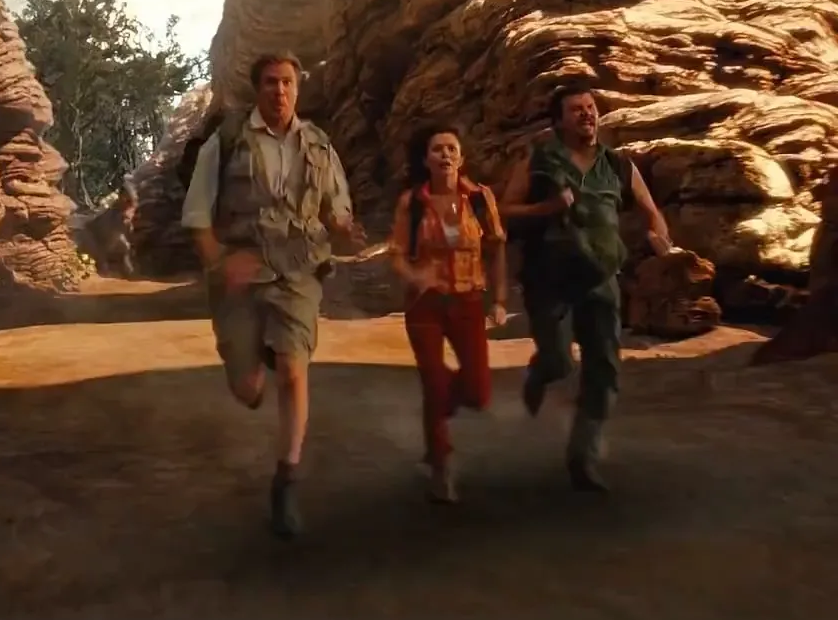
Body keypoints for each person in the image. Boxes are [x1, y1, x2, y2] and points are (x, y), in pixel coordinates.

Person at [180, 51, 361, 539]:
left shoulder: (318, 145)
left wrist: (343, 227)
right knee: (247, 389)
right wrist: (220, 264)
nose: (279, 91)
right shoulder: (227, 140)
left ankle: (286, 481)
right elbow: (197, 215)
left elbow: (337, 207)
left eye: (286, 82)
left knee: (294, 369)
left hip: (298, 270)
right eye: (270, 82)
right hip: (241, 273)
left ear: (297, 88)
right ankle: (255, 359)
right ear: (256, 88)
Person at [499, 84, 671, 492]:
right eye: (576, 109)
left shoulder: (618, 164)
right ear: (558, 121)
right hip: (549, 280)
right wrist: (546, 208)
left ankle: (583, 457)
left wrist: (660, 237)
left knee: (605, 369)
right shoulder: (538, 160)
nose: (587, 114)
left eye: (591, 108)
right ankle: (541, 371)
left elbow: (651, 211)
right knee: (560, 361)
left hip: (601, 279)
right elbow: (503, 210)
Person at [388, 122, 507, 504]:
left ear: (462, 157)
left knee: (478, 392)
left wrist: (499, 299)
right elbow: (396, 255)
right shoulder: (412, 202)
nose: (445, 155)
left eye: (451, 148)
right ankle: (440, 466)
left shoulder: (480, 198)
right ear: (426, 159)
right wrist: (415, 277)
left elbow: (497, 249)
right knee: (433, 381)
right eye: (437, 149)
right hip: (425, 304)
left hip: (468, 301)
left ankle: (437, 410)